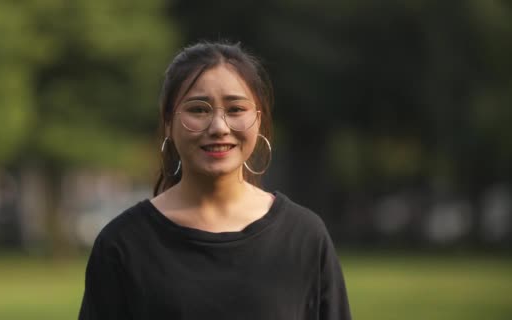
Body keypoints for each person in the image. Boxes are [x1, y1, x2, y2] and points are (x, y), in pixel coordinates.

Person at [78, 41, 351, 320]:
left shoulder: (303, 236)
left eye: (235, 109)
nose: (219, 127)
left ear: (259, 119)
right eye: (198, 110)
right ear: (168, 122)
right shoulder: (122, 244)